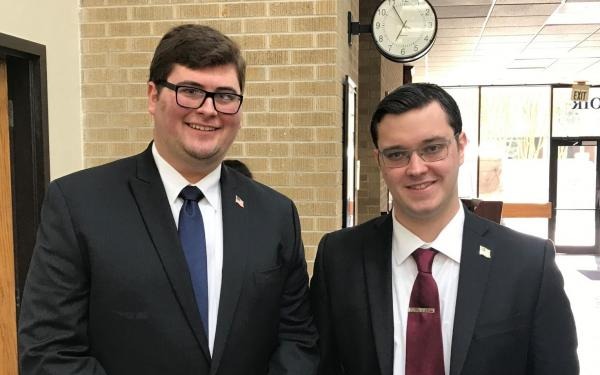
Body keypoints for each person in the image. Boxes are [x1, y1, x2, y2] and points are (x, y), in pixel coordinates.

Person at [19, 24, 318, 375]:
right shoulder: (78, 204)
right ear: (152, 96)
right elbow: (48, 350)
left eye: (225, 95)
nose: (208, 109)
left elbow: (298, 339)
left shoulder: (275, 214)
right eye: (189, 91)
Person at [310, 83, 579, 375]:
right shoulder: (339, 258)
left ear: (460, 147)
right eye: (397, 154)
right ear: (379, 161)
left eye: (433, 148)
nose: (416, 168)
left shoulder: (528, 263)